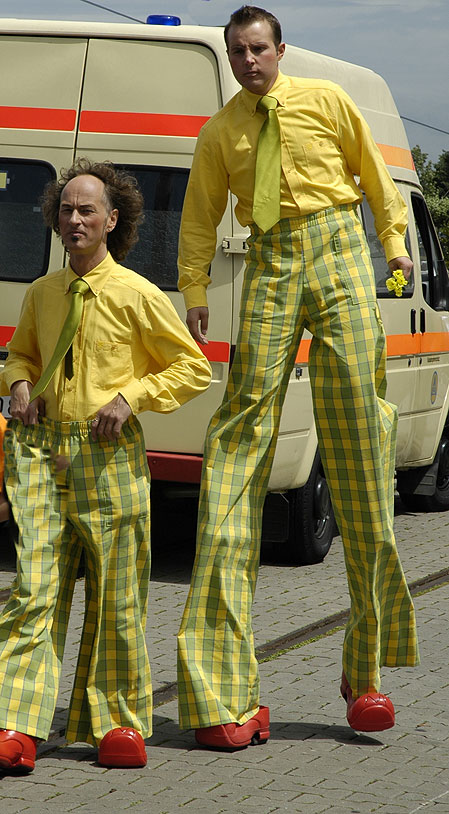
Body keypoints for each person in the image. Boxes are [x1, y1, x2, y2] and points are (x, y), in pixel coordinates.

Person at [176, 5, 419, 749]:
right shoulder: (220, 132)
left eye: (258, 49)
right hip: (271, 255)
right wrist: (192, 295)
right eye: (237, 52)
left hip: (341, 248)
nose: (249, 61)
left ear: (279, 50)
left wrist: (395, 247)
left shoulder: (327, 100)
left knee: (361, 439)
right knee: (240, 435)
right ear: (229, 58)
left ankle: (365, 670)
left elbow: (377, 180)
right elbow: (196, 218)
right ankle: (223, 683)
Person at [0, 159, 211, 773]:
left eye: (86, 210)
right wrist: (16, 384)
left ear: (112, 220)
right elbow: (18, 356)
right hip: (45, 456)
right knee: (35, 590)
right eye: (65, 210)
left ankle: (116, 723)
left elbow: (191, 367)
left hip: (108, 458)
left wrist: (131, 398)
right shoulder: (42, 292)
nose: (73, 220)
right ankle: (17, 721)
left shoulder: (138, 294)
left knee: (118, 598)